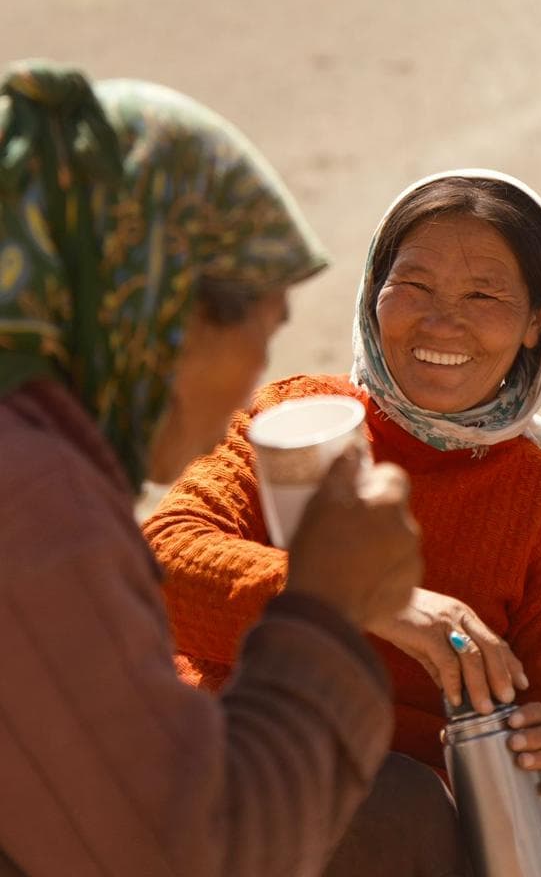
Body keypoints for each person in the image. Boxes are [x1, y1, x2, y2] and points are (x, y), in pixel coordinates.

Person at [0, 63, 425, 877]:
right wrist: (327, 609)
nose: (252, 385)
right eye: (262, 332)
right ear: (161, 305)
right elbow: (188, 856)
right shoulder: (33, 503)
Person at [144, 169, 541, 856]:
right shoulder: (291, 421)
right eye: (415, 286)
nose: (441, 321)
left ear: (536, 321)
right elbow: (158, 563)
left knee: (398, 801)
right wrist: (365, 600)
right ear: (374, 291)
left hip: (406, 830)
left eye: (483, 294)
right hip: (229, 765)